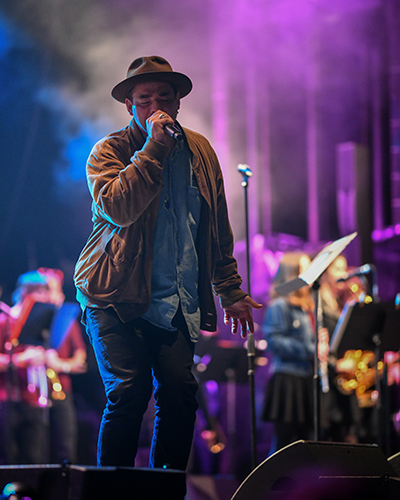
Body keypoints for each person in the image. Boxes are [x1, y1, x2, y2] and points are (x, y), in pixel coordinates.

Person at [73, 55, 262, 471]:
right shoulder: (110, 150)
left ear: (178, 102)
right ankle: (113, 493)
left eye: (163, 96)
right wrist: (154, 148)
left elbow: (215, 225)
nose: (154, 105)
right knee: (129, 393)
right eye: (144, 99)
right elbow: (117, 208)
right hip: (113, 295)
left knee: (179, 394)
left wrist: (230, 290)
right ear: (130, 106)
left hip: (173, 302)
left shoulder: (201, 151)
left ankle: (165, 490)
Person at [0, 269, 86, 464]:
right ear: (25, 293)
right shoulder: (5, 320)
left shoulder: (47, 320)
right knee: (13, 457)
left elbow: (81, 358)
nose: (45, 298)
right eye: (40, 293)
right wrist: (22, 359)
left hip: (39, 398)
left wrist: (57, 362)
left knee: (39, 456)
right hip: (11, 400)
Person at [261, 252, 329, 454]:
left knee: (307, 441)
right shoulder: (280, 305)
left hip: (307, 378)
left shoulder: (309, 305)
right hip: (288, 380)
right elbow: (274, 341)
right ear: (293, 274)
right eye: (305, 268)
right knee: (285, 442)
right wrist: (311, 349)